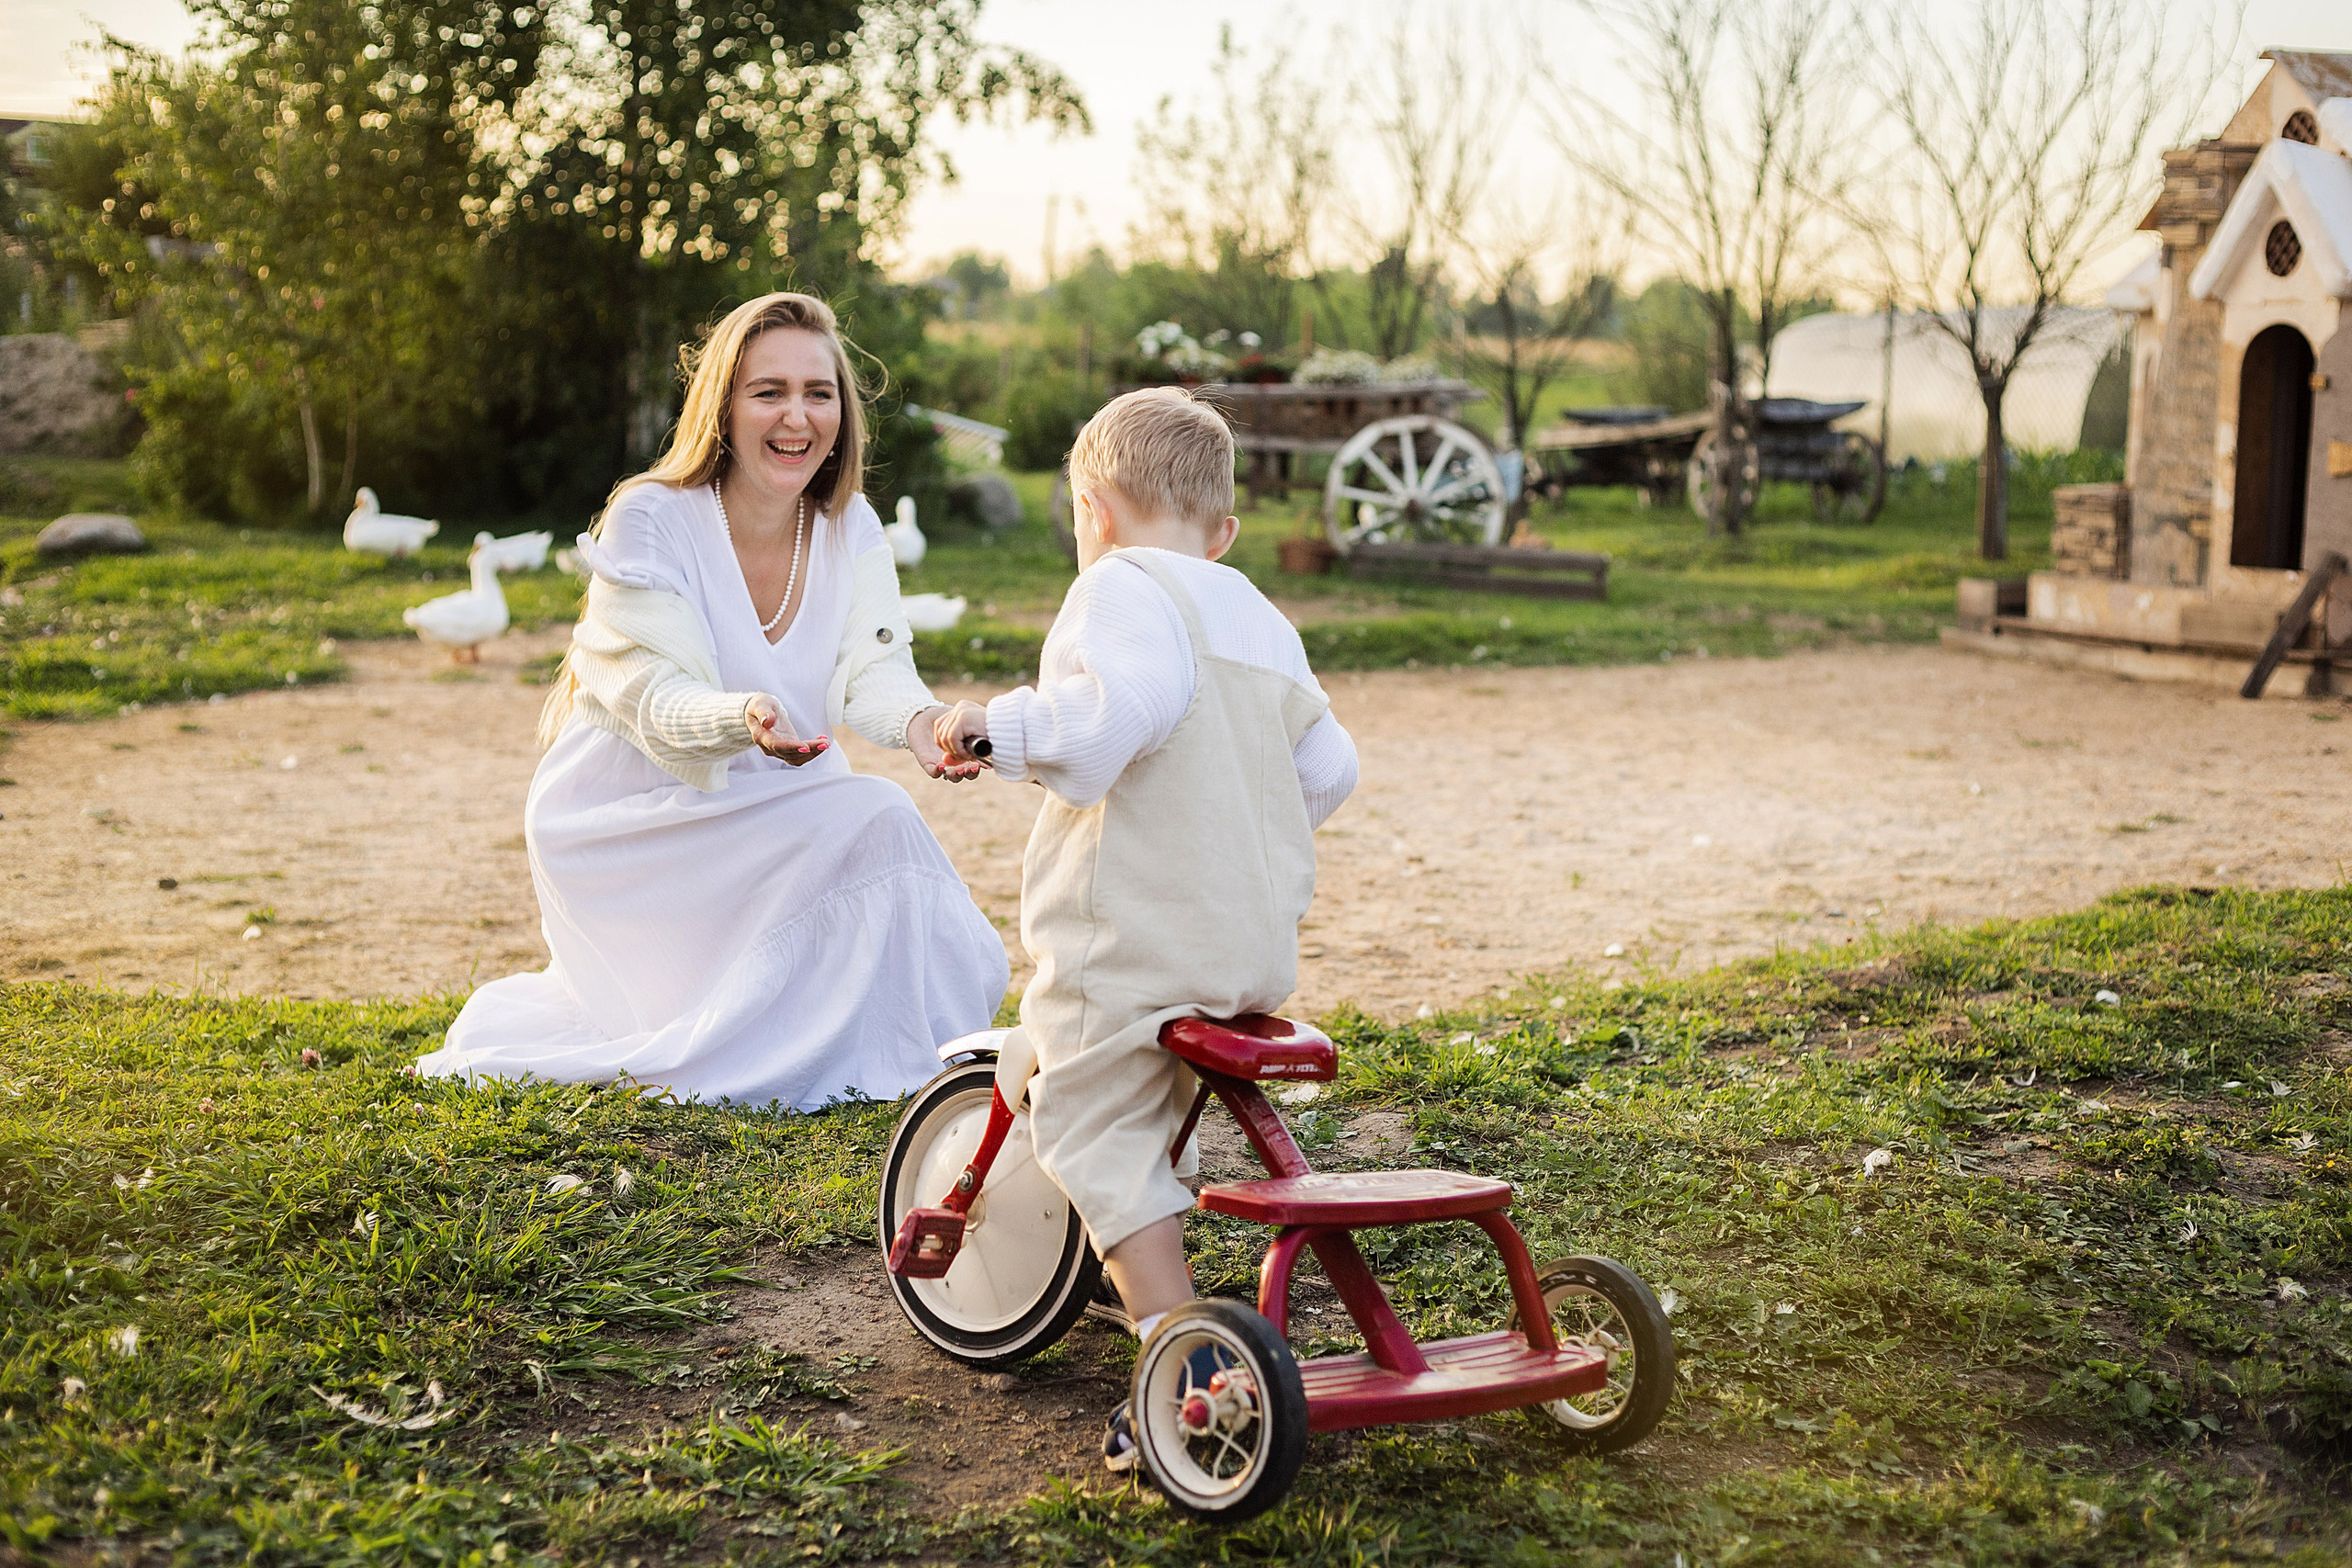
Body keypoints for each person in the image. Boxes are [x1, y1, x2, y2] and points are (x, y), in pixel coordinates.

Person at [416, 293, 1009, 1111]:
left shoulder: (851, 524)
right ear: (724, 406)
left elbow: (875, 671)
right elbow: (655, 697)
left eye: (819, 392)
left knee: (881, 819)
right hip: (630, 814)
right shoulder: (652, 517)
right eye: (769, 392)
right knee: (872, 814)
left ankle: (898, 1051)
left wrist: (927, 724)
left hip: (771, 791)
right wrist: (742, 719)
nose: (797, 416)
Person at [932, 387, 1358, 1470]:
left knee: (1087, 1118)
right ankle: (1171, 1276)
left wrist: (996, 725)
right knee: (1140, 1082)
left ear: (1094, 511)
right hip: (1249, 945)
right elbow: (1329, 768)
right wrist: (1228, 819)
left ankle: (1175, 1346)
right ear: (1222, 532)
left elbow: (1104, 727)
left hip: (1134, 936)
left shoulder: (1119, 586)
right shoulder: (1255, 611)